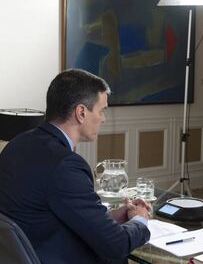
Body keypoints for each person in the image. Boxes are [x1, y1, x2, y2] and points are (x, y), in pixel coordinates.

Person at [0, 69, 151, 264]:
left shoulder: (18, 143)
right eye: (102, 110)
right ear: (81, 113)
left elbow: (46, 212)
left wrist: (110, 217)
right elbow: (116, 244)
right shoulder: (65, 165)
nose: (104, 119)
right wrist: (140, 220)